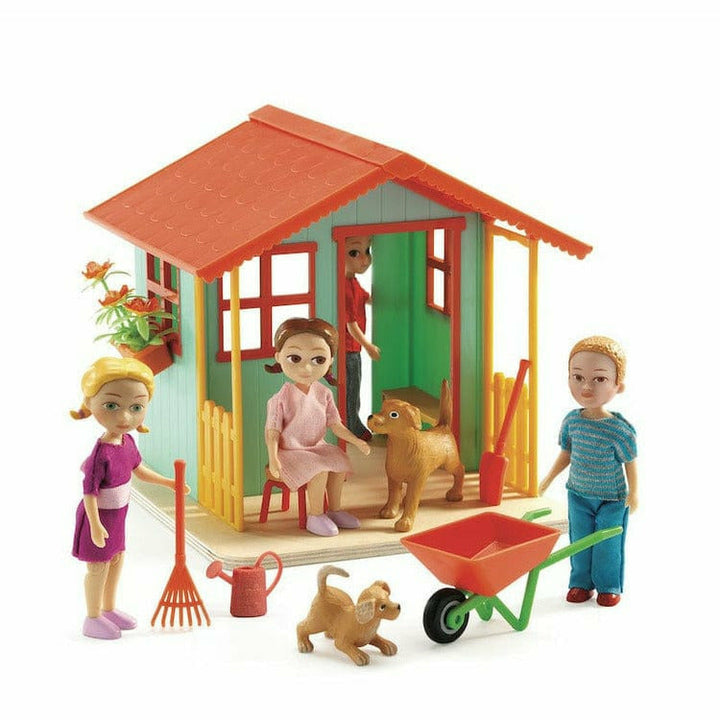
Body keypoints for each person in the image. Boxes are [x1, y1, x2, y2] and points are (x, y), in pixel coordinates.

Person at [71, 356, 178, 639]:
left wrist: (169, 483)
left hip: (117, 517)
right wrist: (95, 525)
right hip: (98, 519)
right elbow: (89, 493)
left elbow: (139, 470)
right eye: (111, 406)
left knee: (117, 560)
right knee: (98, 567)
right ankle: (92, 617)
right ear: (90, 403)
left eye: (136, 407)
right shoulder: (101, 454)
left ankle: (108, 609)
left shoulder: (127, 441)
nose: (125, 418)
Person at [539, 336, 638, 607]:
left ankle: (608, 586)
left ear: (618, 385)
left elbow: (630, 462)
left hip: (612, 499)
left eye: (600, 379)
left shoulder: (619, 430)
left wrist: (634, 493)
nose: (586, 387)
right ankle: (581, 583)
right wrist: (548, 479)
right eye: (578, 377)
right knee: (579, 541)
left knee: (608, 545)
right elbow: (566, 454)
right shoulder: (572, 422)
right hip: (578, 494)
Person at [265, 317, 371, 536]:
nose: (306, 368)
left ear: (330, 360)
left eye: (318, 359)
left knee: (339, 462)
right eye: (295, 358)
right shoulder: (281, 398)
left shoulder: (323, 393)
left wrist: (356, 441)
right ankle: (315, 515)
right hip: (290, 452)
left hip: (316, 447)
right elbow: (272, 432)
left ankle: (335, 510)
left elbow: (336, 425)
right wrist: (273, 457)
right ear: (279, 357)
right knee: (319, 469)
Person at [344, 235, 380, 440]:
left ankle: (353, 423)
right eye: (354, 253)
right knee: (351, 389)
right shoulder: (344, 287)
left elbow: (365, 298)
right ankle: (352, 426)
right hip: (349, 348)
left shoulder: (353, 282)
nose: (365, 260)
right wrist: (368, 346)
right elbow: (350, 325)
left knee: (355, 387)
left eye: (367, 251)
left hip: (354, 349)